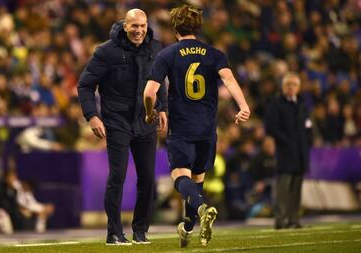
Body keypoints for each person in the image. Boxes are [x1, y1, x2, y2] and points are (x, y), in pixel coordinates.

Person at [143, 5, 250, 247]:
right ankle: (189, 228)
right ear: (199, 27)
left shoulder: (167, 54)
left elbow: (149, 92)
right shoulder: (214, 53)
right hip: (207, 129)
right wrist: (243, 106)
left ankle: (202, 209)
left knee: (180, 177)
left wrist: (150, 113)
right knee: (197, 180)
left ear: (174, 28)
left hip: (181, 127)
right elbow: (229, 79)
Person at [77, 9, 168, 245]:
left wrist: (164, 108)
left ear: (148, 26)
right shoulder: (106, 51)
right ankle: (114, 232)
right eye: (134, 26)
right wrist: (92, 116)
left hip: (146, 119)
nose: (139, 31)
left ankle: (140, 231)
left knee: (148, 177)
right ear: (125, 26)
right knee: (118, 176)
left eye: (143, 26)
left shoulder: (155, 48)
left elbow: (159, 82)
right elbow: (85, 85)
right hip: (116, 120)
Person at [265, 73, 313, 229]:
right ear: (283, 86)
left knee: (297, 188)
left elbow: (308, 126)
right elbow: (270, 127)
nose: (291, 87)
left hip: (300, 153)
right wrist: (286, 141)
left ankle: (294, 219)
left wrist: (308, 142)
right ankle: (281, 219)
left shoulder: (302, 104)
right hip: (285, 152)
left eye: (294, 84)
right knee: (283, 187)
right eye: (288, 84)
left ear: (299, 87)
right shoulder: (276, 104)